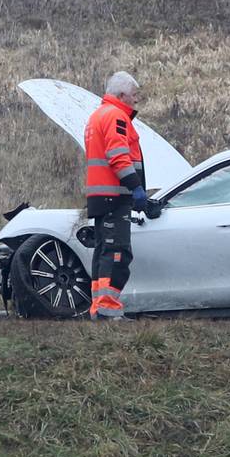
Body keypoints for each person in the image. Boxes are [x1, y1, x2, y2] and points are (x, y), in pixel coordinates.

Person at [84, 71, 148, 320]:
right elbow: (119, 156)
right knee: (117, 252)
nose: (136, 100)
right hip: (114, 195)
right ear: (122, 95)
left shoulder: (97, 116)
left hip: (101, 195)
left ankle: (99, 307)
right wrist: (136, 187)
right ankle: (107, 309)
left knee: (104, 251)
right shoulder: (116, 117)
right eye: (134, 95)